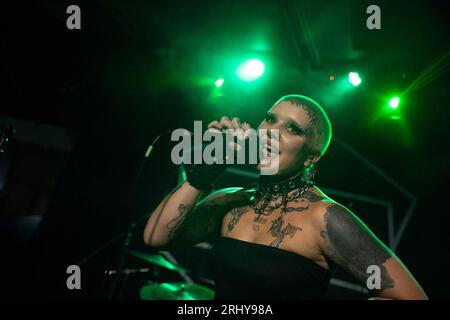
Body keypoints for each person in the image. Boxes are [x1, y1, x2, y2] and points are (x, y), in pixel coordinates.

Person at [143, 94, 428, 300]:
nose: (271, 132)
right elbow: (155, 238)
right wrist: (208, 169)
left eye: (292, 129)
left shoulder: (326, 217)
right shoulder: (231, 201)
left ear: (310, 158)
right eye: (269, 119)